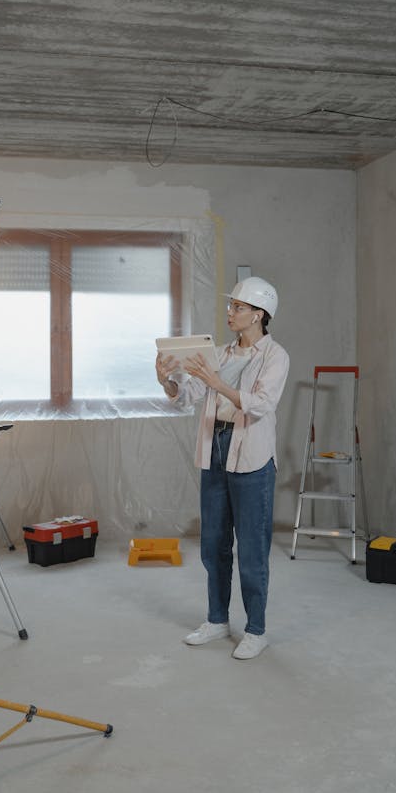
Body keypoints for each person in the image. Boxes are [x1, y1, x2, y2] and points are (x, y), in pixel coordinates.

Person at [156, 276, 289, 660]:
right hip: (214, 449)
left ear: (259, 314)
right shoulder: (222, 354)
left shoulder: (276, 356)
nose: (229, 312)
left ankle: (256, 629)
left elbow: (261, 404)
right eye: (230, 306)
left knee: (251, 549)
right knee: (214, 544)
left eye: (238, 307)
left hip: (252, 458)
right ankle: (217, 620)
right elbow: (190, 396)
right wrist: (167, 381)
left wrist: (216, 382)